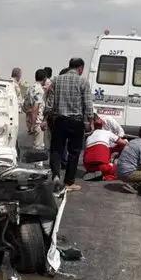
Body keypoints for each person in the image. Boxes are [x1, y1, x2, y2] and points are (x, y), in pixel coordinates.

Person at [45, 58, 92, 191]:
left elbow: (50, 103)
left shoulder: (56, 80)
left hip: (60, 120)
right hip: (76, 122)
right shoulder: (83, 81)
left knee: (56, 149)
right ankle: (69, 182)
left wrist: (46, 117)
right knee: (74, 152)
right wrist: (89, 121)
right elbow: (87, 103)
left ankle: (55, 176)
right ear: (80, 68)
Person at [117, 126, 141, 192]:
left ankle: (132, 184)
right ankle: (133, 187)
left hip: (119, 171)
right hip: (127, 173)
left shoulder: (133, 141)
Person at [22, 69, 47, 150]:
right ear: (44, 79)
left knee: (34, 147)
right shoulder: (39, 90)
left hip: (29, 121)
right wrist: (33, 124)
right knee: (38, 148)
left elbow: (24, 106)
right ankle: (38, 163)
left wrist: (29, 117)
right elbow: (35, 107)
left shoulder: (30, 88)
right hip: (36, 122)